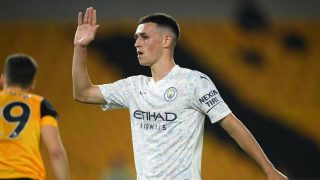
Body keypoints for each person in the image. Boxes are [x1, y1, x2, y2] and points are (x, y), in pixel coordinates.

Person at [72, 7, 288, 180]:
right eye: (136, 37)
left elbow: (231, 124)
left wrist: (269, 169)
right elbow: (83, 93)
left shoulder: (194, 82)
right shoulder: (133, 86)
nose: (137, 42)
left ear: (166, 41)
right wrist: (80, 48)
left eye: (144, 37)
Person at [0, 54, 69, 180]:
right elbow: (55, 152)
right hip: (26, 175)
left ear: (3, 79)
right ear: (32, 84)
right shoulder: (41, 105)